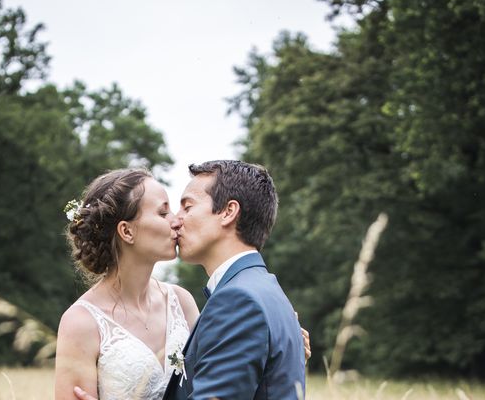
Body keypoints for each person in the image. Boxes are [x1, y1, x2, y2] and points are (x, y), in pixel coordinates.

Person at [58, 165, 309, 400]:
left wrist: (276, 349)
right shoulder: (80, 321)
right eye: (163, 212)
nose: (176, 220)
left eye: (185, 208)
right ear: (127, 231)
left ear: (229, 212)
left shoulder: (182, 301)